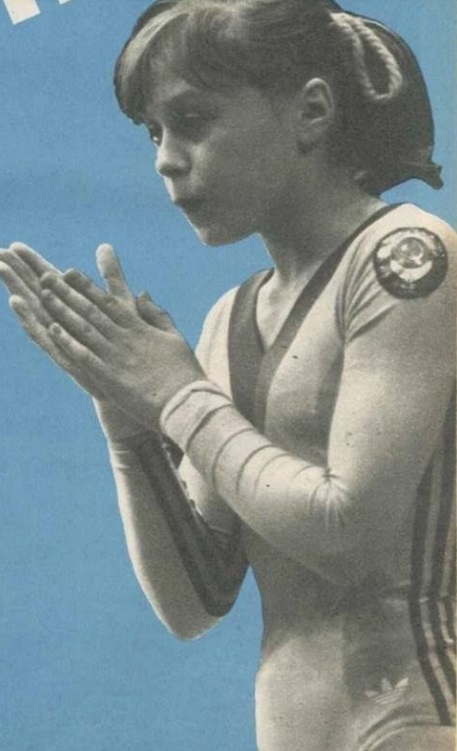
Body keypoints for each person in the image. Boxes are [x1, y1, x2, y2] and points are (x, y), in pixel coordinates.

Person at [0, 0, 455, 749]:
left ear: (311, 112)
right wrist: (130, 423)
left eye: (192, 120)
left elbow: (349, 535)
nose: (165, 159)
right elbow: (196, 602)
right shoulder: (229, 319)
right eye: (153, 132)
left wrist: (177, 396)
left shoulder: (405, 254)